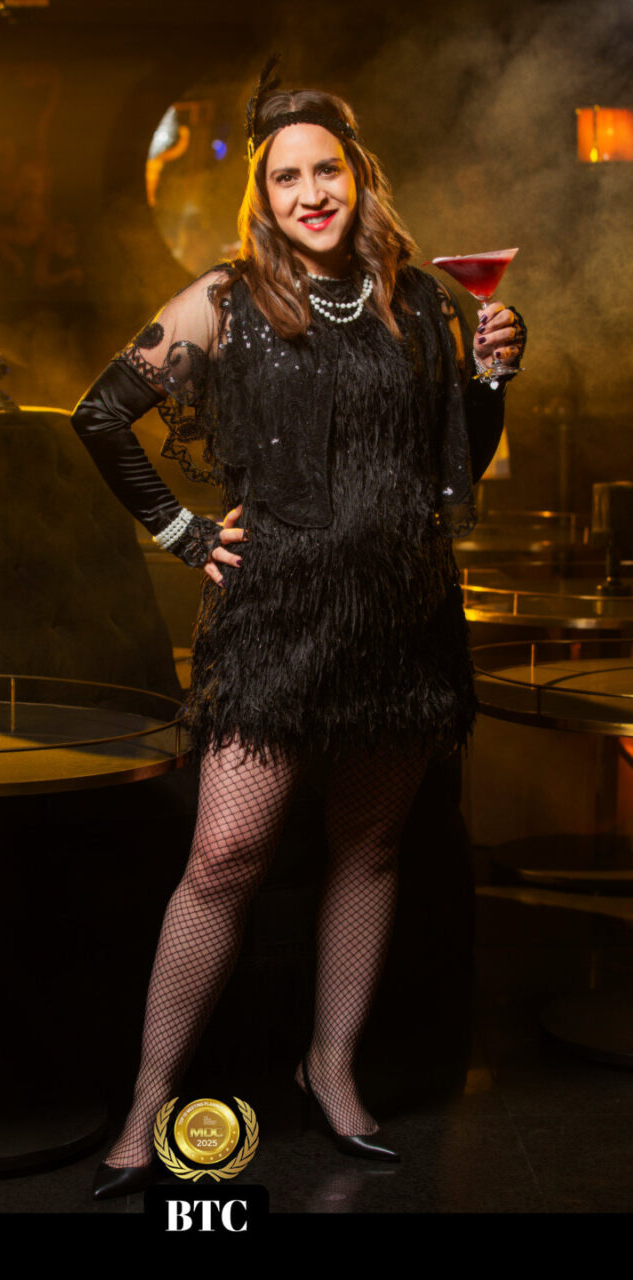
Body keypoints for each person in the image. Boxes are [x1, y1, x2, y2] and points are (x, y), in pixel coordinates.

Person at [70, 76, 526, 1200]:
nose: (311, 192)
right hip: (274, 619)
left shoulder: (421, 304)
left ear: (358, 177)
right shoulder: (224, 302)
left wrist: (488, 377)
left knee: (369, 846)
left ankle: (330, 1067)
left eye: (327, 169)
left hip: (403, 615)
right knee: (224, 858)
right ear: (262, 196)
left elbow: (456, 458)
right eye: (287, 177)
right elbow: (99, 414)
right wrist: (182, 532)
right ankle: (148, 1101)